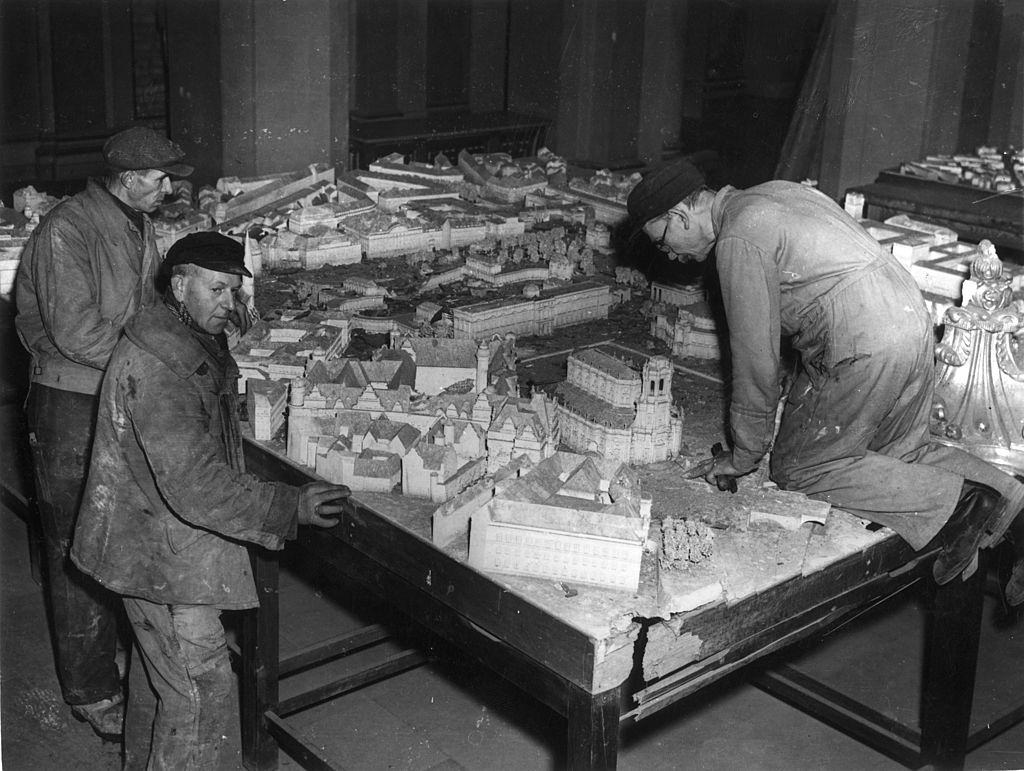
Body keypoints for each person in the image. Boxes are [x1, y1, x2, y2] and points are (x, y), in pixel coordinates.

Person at [626, 159, 1024, 596]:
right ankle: (1012, 504)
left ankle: (964, 506)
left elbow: (755, 359)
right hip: (912, 322)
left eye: (662, 240)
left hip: (865, 340)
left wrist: (745, 453)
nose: (668, 254)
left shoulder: (738, 238)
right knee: (898, 453)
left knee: (803, 465)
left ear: (681, 215)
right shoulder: (774, 192)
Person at [69, 231, 350, 769]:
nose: (229, 304)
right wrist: (290, 505)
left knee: (161, 686)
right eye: (217, 290)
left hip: (139, 544)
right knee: (201, 697)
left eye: (234, 292)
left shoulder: (170, 333)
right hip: (165, 561)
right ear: (179, 285)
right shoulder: (161, 368)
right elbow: (198, 487)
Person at [15, 125, 193, 737]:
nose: (169, 188)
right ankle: (90, 691)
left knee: (115, 535)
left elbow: (140, 308)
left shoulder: (132, 223)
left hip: (116, 392)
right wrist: (161, 360)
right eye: (160, 177)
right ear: (126, 177)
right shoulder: (68, 229)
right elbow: (76, 333)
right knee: (76, 548)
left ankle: (116, 658)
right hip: (70, 403)